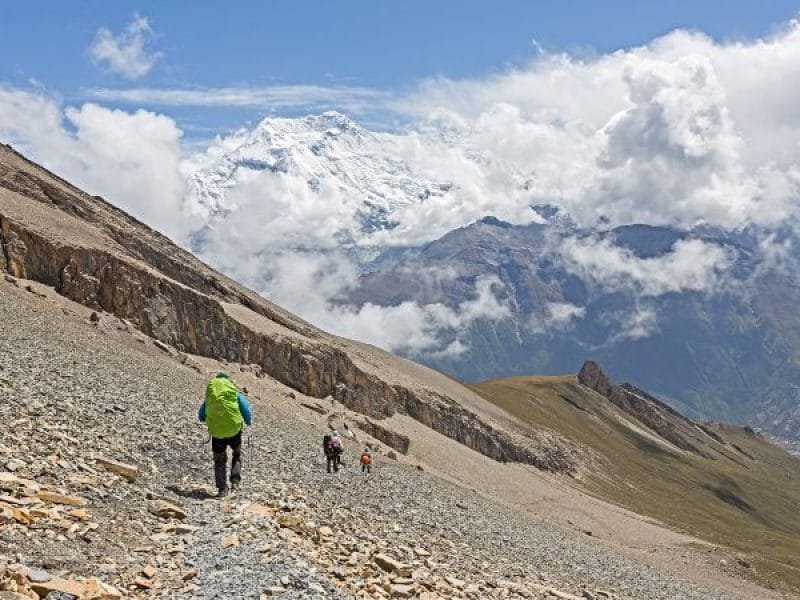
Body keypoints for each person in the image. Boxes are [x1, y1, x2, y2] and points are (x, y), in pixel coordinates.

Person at [198, 372, 252, 496]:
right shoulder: (234, 392)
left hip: (217, 433)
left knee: (219, 460)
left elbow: (200, 415)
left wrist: (208, 419)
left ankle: (222, 489)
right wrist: (248, 421)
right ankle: (235, 481)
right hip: (234, 430)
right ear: (228, 381)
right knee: (237, 454)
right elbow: (246, 409)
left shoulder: (212, 395)